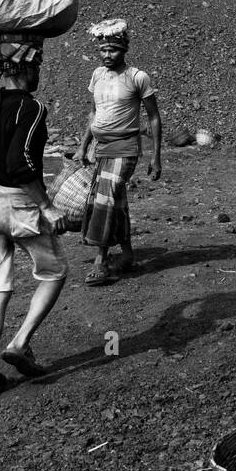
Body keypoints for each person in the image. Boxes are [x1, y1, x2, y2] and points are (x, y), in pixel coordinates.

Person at [0, 27, 68, 399]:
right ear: (25, 68)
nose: (39, 73)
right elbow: (21, 164)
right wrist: (47, 206)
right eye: (37, 64)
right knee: (54, 271)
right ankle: (21, 342)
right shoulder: (32, 107)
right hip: (17, 206)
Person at [73, 19, 162, 285]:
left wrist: (156, 157)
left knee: (105, 199)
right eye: (103, 50)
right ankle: (127, 254)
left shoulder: (138, 77)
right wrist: (83, 146)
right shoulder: (97, 75)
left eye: (112, 50)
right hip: (102, 149)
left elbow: (154, 117)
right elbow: (93, 113)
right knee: (116, 201)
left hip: (125, 148)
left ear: (124, 49)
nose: (107, 55)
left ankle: (101, 262)